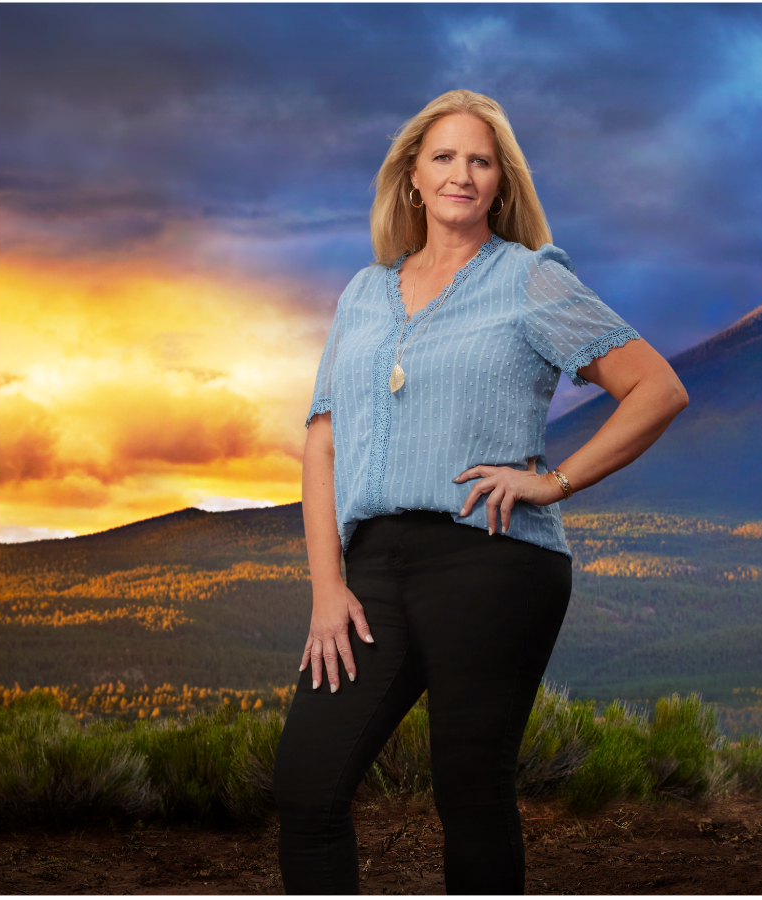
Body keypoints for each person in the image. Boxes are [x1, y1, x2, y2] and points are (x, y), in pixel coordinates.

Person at [273, 89, 689, 894]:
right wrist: (328, 588)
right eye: (444, 158)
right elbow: (322, 441)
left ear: (500, 182)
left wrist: (553, 480)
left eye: (481, 160)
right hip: (372, 569)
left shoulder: (531, 279)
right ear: (412, 180)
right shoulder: (362, 293)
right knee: (306, 785)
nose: (462, 173)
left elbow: (656, 388)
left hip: (494, 561)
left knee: (468, 790)